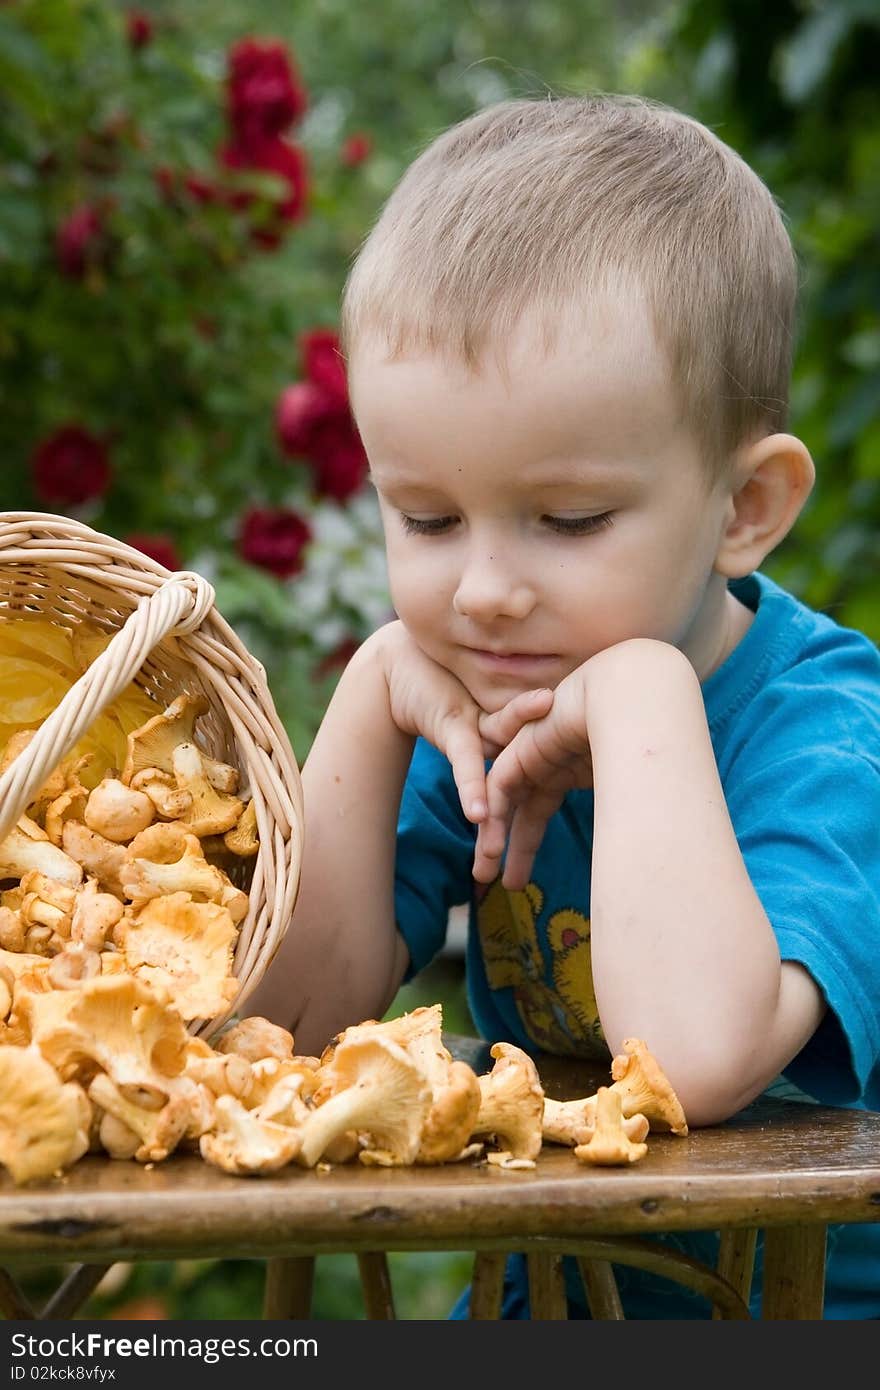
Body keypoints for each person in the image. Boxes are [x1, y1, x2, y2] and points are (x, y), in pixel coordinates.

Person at [248, 94, 880, 1318]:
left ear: (744, 510)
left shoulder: (828, 736)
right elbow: (280, 1024)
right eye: (425, 518)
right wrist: (373, 699)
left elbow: (687, 1062)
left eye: (570, 519)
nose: (482, 592)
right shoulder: (477, 707)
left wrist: (644, 692)